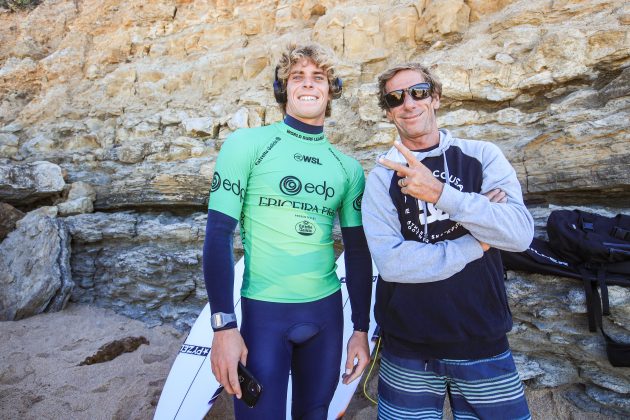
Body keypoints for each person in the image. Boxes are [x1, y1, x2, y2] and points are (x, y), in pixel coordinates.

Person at [202, 43, 373, 419]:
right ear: (283, 90)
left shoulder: (348, 169)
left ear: (331, 90)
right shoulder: (247, 145)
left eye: (319, 78)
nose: (308, 85)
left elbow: (358, 253)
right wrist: (223, 328)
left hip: (326, 317)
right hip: (264, 319)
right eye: (298, 77)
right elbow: (217, 236)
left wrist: (361, 330)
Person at [361, 62, 534, 419]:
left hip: (481, 338)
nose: (408, 103)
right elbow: (392, 264)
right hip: (407, 347)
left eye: (418, 92)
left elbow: (518, 234)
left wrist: (442, 194)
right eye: (396, 98)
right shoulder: (381, 178)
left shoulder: (481, 155)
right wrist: (477, 242)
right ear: (389, 112)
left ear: (435, 98)